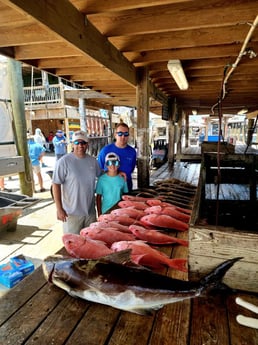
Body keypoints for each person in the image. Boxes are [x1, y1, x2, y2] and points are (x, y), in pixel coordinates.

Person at [52, 130, 102, 234]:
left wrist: (118, 173)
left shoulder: (93, 161)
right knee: (72, 244)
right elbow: (56, 184)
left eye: (83, 142)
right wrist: (59, 208)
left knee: (91, 242)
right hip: (71, 213)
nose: (80, 145)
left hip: (90, 212)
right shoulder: (63, 161)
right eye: (77, 142)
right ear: (72, 144)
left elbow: (103, 176)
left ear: (87, 144)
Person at [97, 122, 136, 191]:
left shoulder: (132, 152)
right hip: (110, 190)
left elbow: (131, 169)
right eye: (120, 134)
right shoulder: (105, 151)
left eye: (126, 134)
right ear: (115, 135)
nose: (123, 137)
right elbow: (99, 171)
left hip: (127, 188)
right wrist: (116, 173)